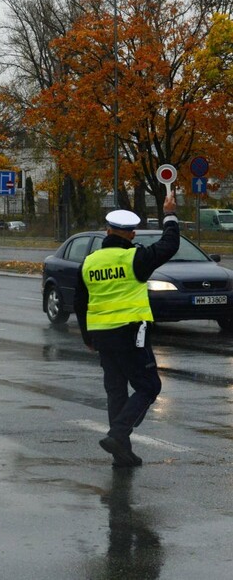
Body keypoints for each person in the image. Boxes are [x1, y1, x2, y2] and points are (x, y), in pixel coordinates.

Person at [74, 194, 179, 468]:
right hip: (131, 333)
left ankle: (122, 453)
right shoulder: (136, 258)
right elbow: (169, 245)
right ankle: (118, 433)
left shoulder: (90, 262)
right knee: (149, 386)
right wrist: (169, 214)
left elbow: (80, 302)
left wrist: (88, 338)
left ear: (107, 231)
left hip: (101, 336)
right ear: (131, 234)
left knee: (116, 391)